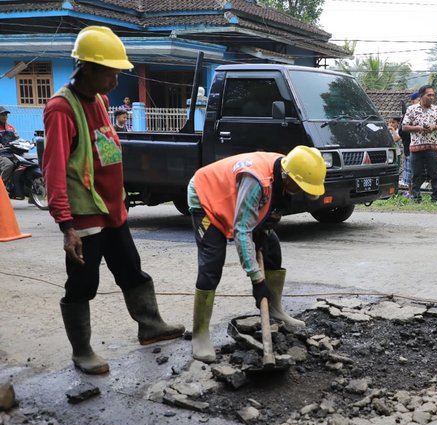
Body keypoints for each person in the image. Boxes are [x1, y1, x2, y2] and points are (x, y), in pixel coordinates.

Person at [42, 26, 184, 375]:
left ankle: (150, 325)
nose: (116, 76)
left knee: (130, 269)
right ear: (87, 67)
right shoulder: (61, 108)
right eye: (111, 70)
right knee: (83, 282)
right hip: (85, 215)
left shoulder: (103, 102)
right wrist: (66, 226)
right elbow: (54, 170)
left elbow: (105, 153)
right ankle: (82, 351)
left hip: (113, 209)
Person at [188, 146, 326, 363]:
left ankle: (273, 308)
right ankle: (200, 334)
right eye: (300, 187)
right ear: (287, 176)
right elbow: (242, 230)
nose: (301, 191)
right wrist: (256, 279)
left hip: (235, 200)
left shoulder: (290, 168)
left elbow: (269, 212)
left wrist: (264, 232)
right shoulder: (258, 181)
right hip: (207, 196)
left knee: (272, 248)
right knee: (212, 262)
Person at [402, 85, 437, 203]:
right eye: (429, 95)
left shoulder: (436, 109)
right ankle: (416, 198)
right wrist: (418, 128)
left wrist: (434, 127)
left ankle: (436, 198)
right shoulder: (411, 109)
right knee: (417, 174)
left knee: (434, 174)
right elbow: (404, 127)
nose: (432, 97)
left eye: (433, 95)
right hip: (416, 148)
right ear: (421, 96)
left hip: (432, 147)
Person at [398, 92, 420, 193]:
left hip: (421, 148)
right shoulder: (407, 114)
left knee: (419, 173)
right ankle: (412, 194)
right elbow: (401, 132)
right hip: (410, 148)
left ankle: (417, 193)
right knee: (411, 174)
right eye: (418, 100)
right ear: (412, 102)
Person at [0, 106, 18, 185]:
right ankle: (1, 187)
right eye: (2, 115)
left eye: (6, 115)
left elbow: (17, 138)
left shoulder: (11, 127)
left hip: (11, 152)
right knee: (8, 165)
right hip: (1, 154)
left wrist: (26, 143)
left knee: (23, 163)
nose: (5, 117)